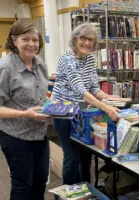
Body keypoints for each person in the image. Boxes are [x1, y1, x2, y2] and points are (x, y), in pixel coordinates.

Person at [51, 23, 130, 185]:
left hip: (80, 111)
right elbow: (80, 90)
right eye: (83, 38)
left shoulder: (90, 59)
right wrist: (106, 107)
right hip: (62, 109)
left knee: (85, 154)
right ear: (75, 39)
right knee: (71, 156)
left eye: (91, 40)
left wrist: (108, 97)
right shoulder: (67, 59)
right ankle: (69, 193)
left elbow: (93, 88)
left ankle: (85, 191)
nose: (87, 43)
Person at [0, 19, 50, 200]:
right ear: (14, 40)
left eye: (35, 40)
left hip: (38, 132)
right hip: (14, 134)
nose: (31, 44)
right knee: (23, 184)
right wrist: (25, 114)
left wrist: (51, 107)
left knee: (40, 180)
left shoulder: (40, 63)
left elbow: (40, 95)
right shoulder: (4, 67)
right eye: (25, 39)